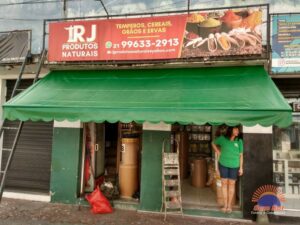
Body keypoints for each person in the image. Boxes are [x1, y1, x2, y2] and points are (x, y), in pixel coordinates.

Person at [211, 126, 243, 213]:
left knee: (231, 185)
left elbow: (241, 155)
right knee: (224, 184)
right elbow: (213, 143)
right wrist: (217, 151)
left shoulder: (239, 141)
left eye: (238, 130)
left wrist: (241, 168)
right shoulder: (222, 139)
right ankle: (225, 205)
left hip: (234, 166)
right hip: (223, 164)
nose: (237, 131)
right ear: (230, 130)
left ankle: (229, 206)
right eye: (235, 129)